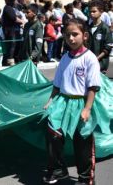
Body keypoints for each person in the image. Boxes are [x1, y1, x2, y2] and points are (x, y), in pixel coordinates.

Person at [42, 19, 103, 185]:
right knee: (53, 133)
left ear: (84, 36)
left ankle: (85, 178)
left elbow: (93, 87)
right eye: (67, 35)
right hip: (62, 102)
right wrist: (50, 101)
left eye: (75, 34)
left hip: (81, 103)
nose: (71, 38)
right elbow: (57, 83)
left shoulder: (90, 58)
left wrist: (87, 108)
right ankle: (58, 169)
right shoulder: (64, 58)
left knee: (82, 142)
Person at [87, 1, 112, 74]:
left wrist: (96, 58)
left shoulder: (105, 28)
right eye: (90, 11)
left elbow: (108, 47)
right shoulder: (87, 27)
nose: (91, 13)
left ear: (101, 12)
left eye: (94, 11)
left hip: (100, 64)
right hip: (88, 63)